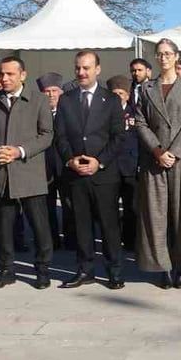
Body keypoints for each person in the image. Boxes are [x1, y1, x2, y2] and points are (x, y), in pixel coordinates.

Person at [132, 38, 181, 287]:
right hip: (154, 159)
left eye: (168, 53)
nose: (163, 57)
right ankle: (161, 267)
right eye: (160, 54)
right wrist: (157, 150)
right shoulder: (146, 89)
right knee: (156, 215)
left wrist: (173, 152)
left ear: (176, 57)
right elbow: (140, 121)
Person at [0, 56, 55, 290]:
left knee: (39, 225)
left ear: (23, 75)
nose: (5, 78)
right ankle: (6, 270)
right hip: (0, 173)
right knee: (3, 227)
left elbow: (47, 134)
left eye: (10, 74)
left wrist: (20, 151)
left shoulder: (38, 100)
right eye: (2, 74)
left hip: (29, 172)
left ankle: (42, 270)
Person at [54, 50, 127, 289]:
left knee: (109, 225)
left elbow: (118, 137)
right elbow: (60, 136)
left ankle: (114, 270)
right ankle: (85, 270)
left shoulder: (112, 100)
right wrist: (70, 160)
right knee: (81, 224)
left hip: (103, 174)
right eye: (78, 68)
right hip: (75, 173)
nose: (81, 72)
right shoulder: (66, 99)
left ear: (97, 69)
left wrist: (100, 161)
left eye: (86, 68)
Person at [37, 72, 73, 252]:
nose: (51, 95)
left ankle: (71, 239)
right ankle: (51, 240)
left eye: (54, 90)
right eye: (46, 91)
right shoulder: (36, 112)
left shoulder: (70, 110)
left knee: (69, 203)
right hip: (44, 165)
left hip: (66, 163)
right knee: (46, 204)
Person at [105, 74, 140, 252]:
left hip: (130, 167)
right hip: (110, 166)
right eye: (115, 93)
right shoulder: (103, 112)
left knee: (131, 207)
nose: (118, 96)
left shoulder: (136, 113)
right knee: (108, 208)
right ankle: (111, 242)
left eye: (121, 93)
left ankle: (130, 241)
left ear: (127, 95)